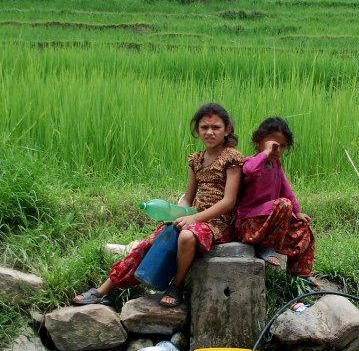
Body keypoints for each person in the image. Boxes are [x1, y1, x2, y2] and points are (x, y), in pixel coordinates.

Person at [74, 102, 244, 308]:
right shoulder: (196, 160)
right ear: (197, 130)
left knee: (187, 235)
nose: (209, 132)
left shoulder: (232, 158)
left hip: (218, 222)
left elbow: (229, 201)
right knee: (150, 241)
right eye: (204, 128)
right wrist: (178, 211)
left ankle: (177, 286)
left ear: (227, 130)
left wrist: (193, 219)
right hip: (193, 216)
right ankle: (104, 289)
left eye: (216, 127)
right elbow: (188, 197)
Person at [236, 117, 318, 286]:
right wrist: (265, 153)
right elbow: (249, 171)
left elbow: (286, 190)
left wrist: (298, 212)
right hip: (249, 225)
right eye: (273, 144)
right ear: (259, 142)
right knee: (283, 204)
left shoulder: (276, 165)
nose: (277, 149)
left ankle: (299, 274)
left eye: (282, 146)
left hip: (270, 225)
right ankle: (267, 248)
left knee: (304, 228)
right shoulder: (251, 162)